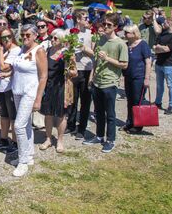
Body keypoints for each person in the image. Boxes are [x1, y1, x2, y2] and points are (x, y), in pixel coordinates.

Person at [83, 13, 128, 153]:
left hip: (110, 82)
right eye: (104, 24)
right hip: (97, 81)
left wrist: (108, 58)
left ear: (115, 27)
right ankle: (99, 136)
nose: (106, 27)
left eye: (109, 25)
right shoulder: (101, 39)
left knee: (110, 113)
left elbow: (124, 65)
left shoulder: (120, 44)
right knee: (99, 112)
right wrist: (92, 76)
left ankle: (111, 140)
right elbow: (96, 60)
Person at [10, 24, 48, 177]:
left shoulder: (38, 50)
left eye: (28, 35)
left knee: (18, 125)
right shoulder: (21, 50)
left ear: (34, 36)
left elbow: (44, 76)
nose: (25, 38)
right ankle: (29, 155)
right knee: (25, 125)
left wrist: (38, 99)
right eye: (23, 35)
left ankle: (23, 161)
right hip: (17, 90)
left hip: (30, 92)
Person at [39, 29, 77, 153]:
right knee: (48, 113)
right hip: (49, 86)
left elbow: (74, 72)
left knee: (61, 115)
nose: (52, 40)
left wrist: (68, 70)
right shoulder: (48, 51)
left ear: (61, 40)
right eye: (51, 37)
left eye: (55, 38)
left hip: (62, 87)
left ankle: (60, 140)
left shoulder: (67, 53)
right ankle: (48, 139)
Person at [0, 27, 20, 153]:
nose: (6, 39)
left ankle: (14, 142)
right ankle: (3, 140)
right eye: (3, 37)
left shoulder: (15, 50)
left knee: (13, 116)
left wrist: (1, 51)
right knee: (3, 115)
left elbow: (4, 67)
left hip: (10, 88)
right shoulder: (4, 51)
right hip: (0, 87)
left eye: (8, 36)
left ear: (12, 36)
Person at [69, 10, 94, 140]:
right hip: (73, 69)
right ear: (78, 19)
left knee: (85, 100)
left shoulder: (91, 33)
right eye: (85, 17)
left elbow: (95, 53)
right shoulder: (70, 33)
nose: (87, 19)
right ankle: (71, 124)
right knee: (72, 99)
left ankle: (82, 127)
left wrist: (84, 48)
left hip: (86, 69)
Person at [122, 24, 151, 132]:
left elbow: (148, 62)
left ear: (134, 34)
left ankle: (138, 124)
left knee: (137, 101)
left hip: (139, 76)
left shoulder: (142, 44)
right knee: (129, 100)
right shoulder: (126, 45)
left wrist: (147, 78)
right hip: (128, 76)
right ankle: (129, 122)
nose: (125, 34)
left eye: (127, 32)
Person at [153, 17, 172, 115]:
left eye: (164, 23)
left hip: (169, 65)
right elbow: (154, 47)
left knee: (171, 86)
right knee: (159, 85)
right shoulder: (162, 34)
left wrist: (159, 47)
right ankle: (157, 102)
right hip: (159, 63)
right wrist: (159, 47)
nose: (163, 24)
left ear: (169, 24)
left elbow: (167, 49)